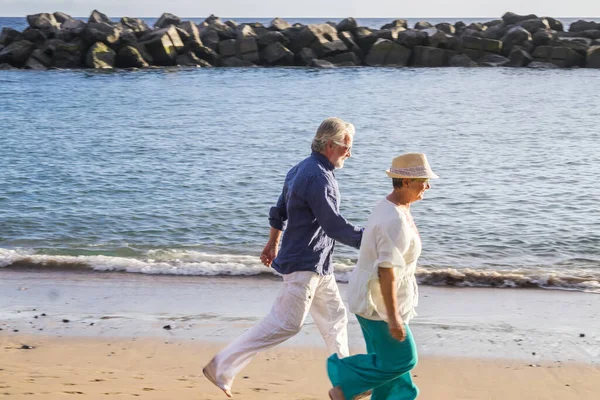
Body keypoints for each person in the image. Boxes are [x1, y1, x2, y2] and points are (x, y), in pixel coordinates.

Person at [203, 117, 363, 397]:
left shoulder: (301, 168)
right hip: (305, 263)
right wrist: (373, 239)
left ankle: (346, 385)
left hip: (319, 263)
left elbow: (279, 211)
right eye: (346, 147)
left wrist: (272, 243)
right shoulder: (319, 177)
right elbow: (333, 225)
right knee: (287, 323)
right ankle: (222, 365)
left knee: (336, 316)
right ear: (330, 144)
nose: (350, 153)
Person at [327, 153, 438, 400]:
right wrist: (394, 317)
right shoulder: (394, 219)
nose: (428, 186)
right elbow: (386, 270)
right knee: (402, 360)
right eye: (424, 180)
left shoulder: (393, 206)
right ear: (407, 182)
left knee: (394, 377)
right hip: (378, 305)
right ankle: (345, 386)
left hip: (374, 299)